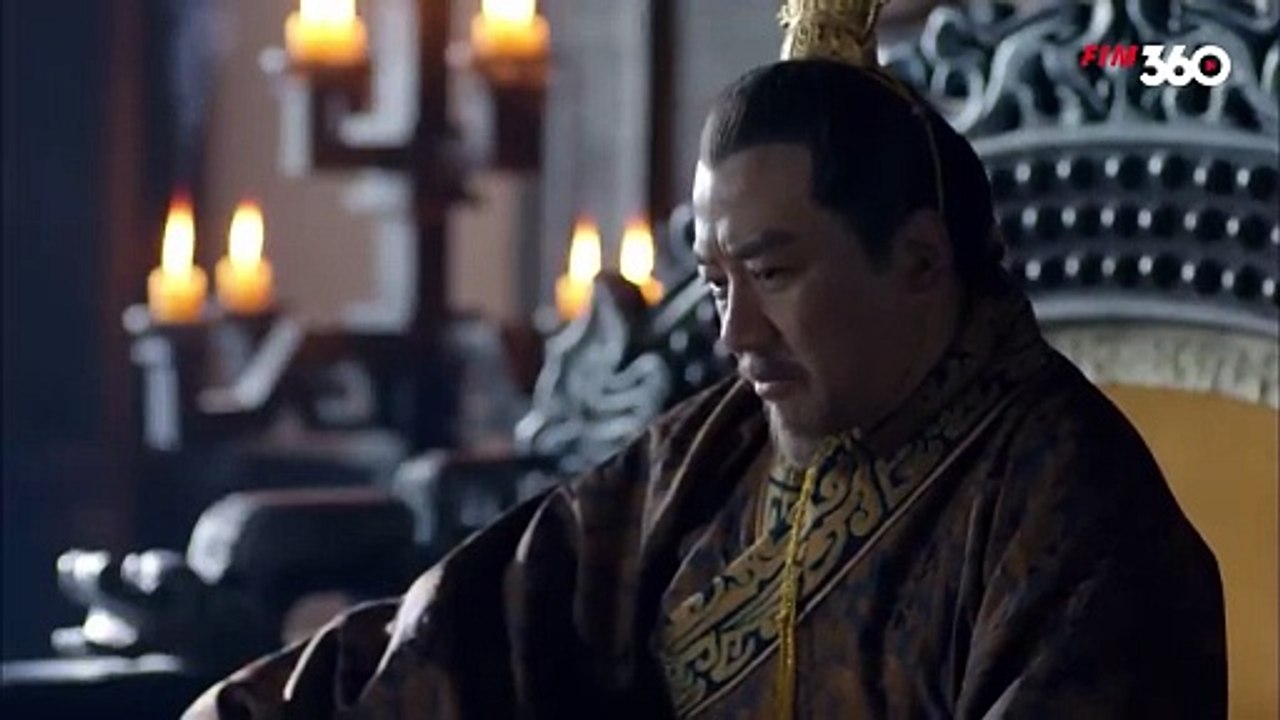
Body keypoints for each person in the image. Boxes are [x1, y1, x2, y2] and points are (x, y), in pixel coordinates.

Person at [185, 1, 1226, 718]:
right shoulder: (713, 452)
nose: (735, 335)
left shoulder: (1071, 512)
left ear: (917, 260)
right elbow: (468, 637)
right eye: (717, 283)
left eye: (771, 273)